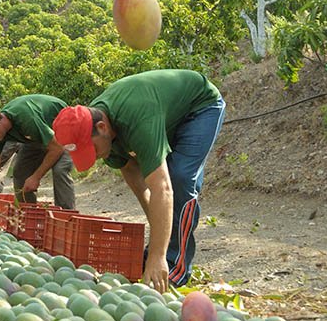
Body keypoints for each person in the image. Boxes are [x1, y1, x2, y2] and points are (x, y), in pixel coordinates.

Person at [51, 69, 226, 291]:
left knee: (179, 178)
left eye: (92, 149)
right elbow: (132, 172)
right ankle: (159, 254)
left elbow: (162, 188)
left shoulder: (136, 119)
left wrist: (158, 255)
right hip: (164, 114)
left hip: (200, 107)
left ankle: (174, 266)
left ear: (102, 128)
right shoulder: (98, 127)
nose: (93, 157)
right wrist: (156, 223)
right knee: (165, 200)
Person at [0, 94, 76, 212]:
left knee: (60, 169)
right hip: (38, 137)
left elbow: (57, 148)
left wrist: (36, 177)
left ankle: (66, 215)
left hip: (64, 130)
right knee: (20, 174)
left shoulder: (26, 118)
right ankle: (29, 216)